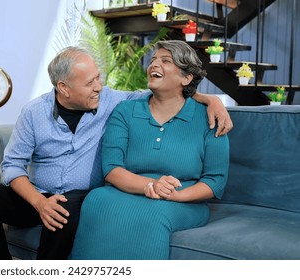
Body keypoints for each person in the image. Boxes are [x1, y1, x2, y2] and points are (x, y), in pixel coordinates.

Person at [0, 45, 232, 260]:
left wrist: (212, 99)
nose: (99, 87)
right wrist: (39, 202)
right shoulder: (34, 112)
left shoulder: (113, 101)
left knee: (64, 212)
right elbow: (12, 166)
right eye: (90, 82)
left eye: (98, 78)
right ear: (63, 88)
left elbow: (167, 94)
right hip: (37, 194)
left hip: (80, 197)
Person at [69, 40, 230, 260]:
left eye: (165, 61)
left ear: (186, 77)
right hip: (130, 188)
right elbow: (112, 169)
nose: (154, 64)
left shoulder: (210, 117)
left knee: (153, 213)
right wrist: (150, 186)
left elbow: (215, 181)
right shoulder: (125, 111)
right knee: (97, 199)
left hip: (183, 199)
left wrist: (177, 195)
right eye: (153, 60)